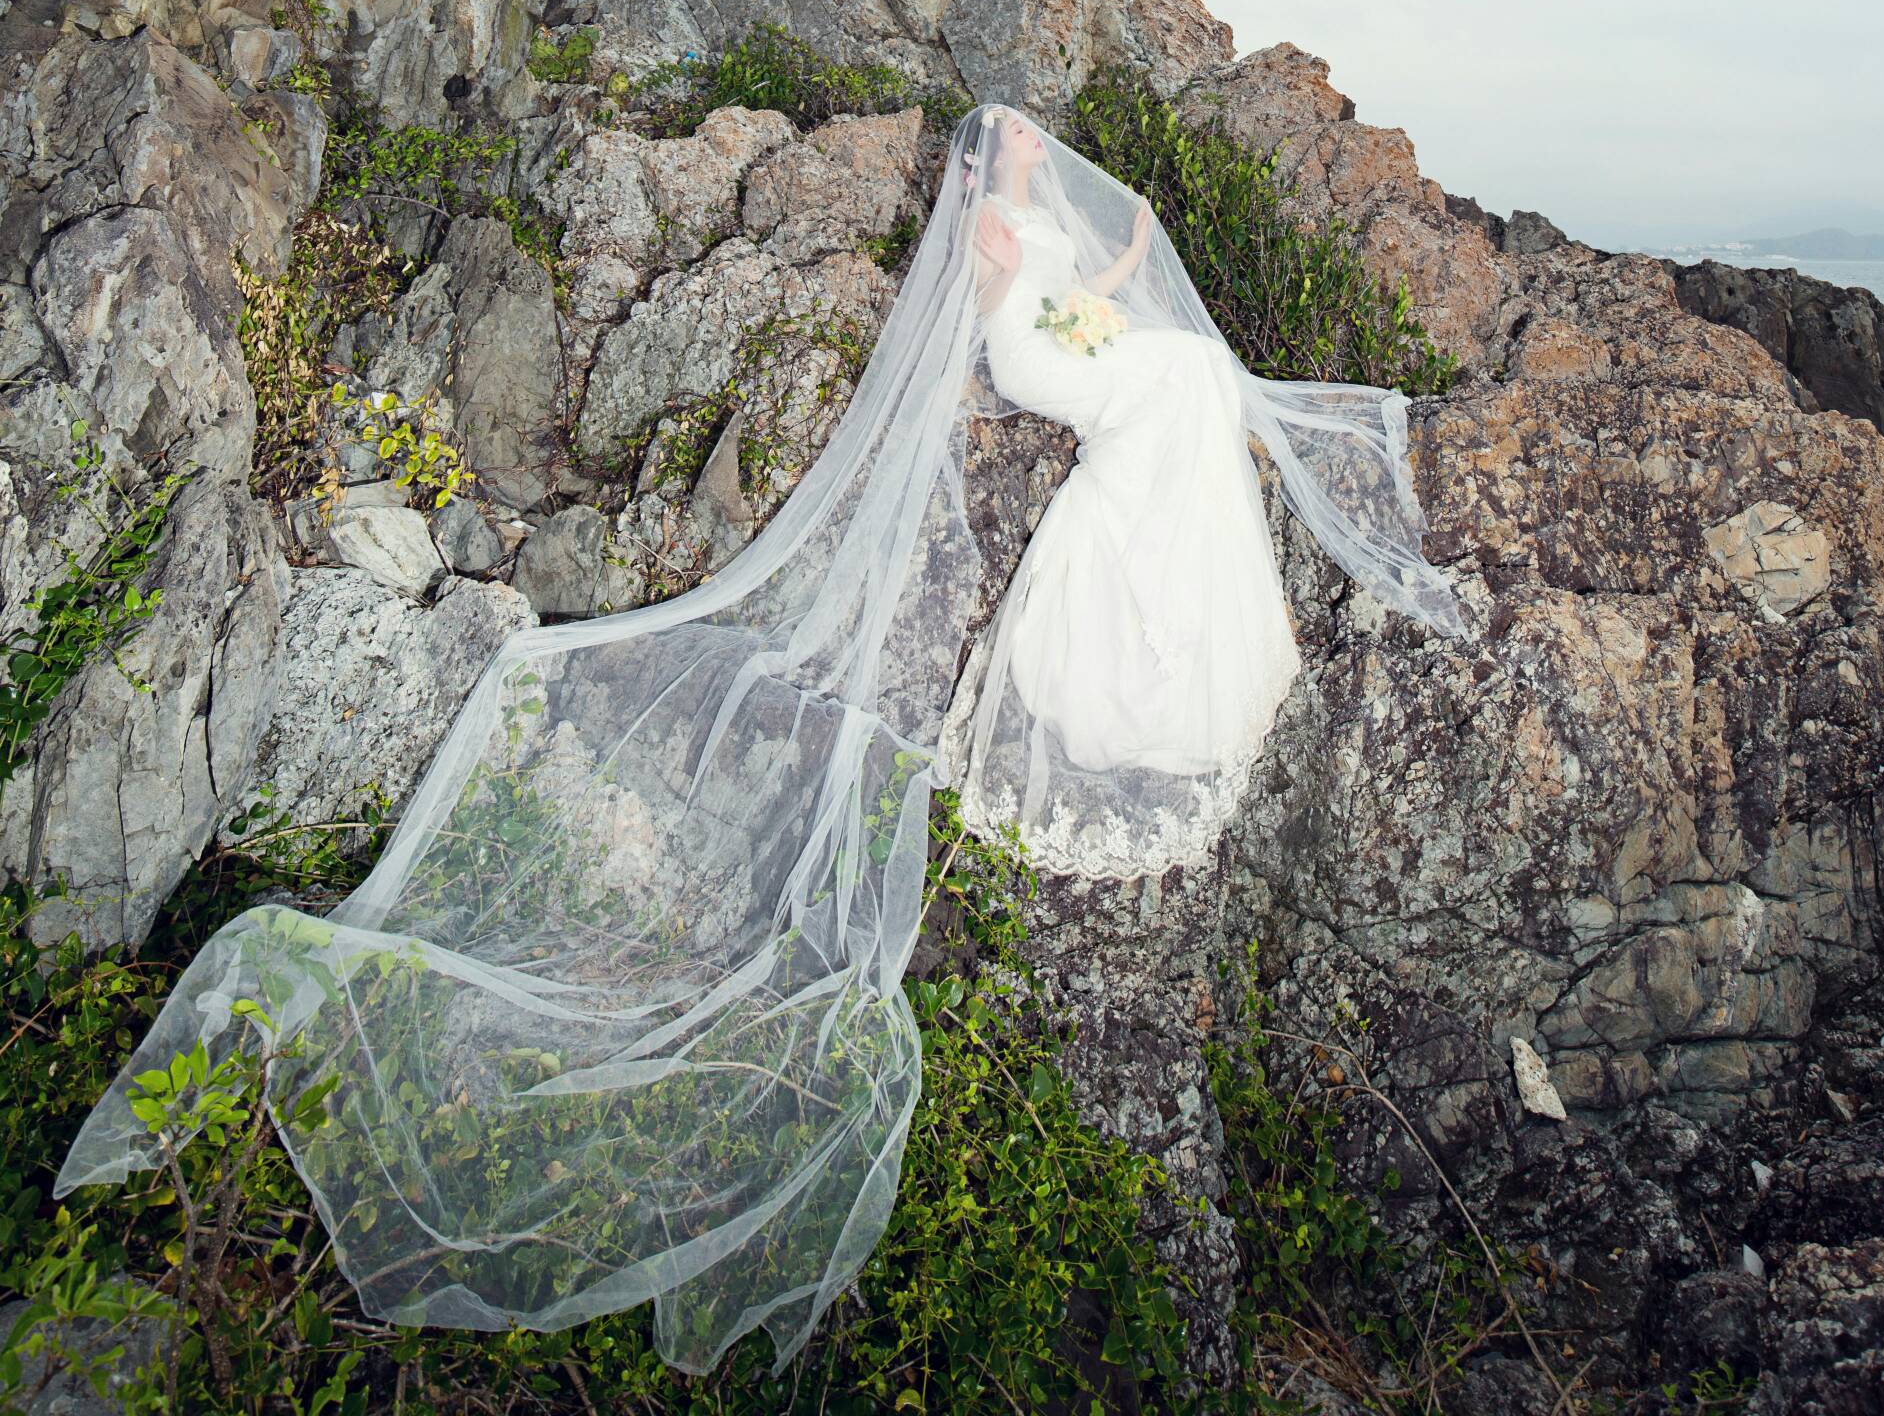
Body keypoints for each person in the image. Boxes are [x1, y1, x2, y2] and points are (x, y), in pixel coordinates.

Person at [56, 100, 1467, 1376]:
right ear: (999, 157)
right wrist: (1070, 306)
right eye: (1025, 141)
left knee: (1192, 377)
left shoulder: (1031, 215)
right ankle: (1149, 618)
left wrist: (1132, 259)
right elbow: (1013, 322)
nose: (1041, 147)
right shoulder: (991, 220)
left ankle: (1182, 581)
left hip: (1068, 334)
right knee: (1178, 386)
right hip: (1039, 358)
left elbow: (1082, 293)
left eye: (1036, 141)